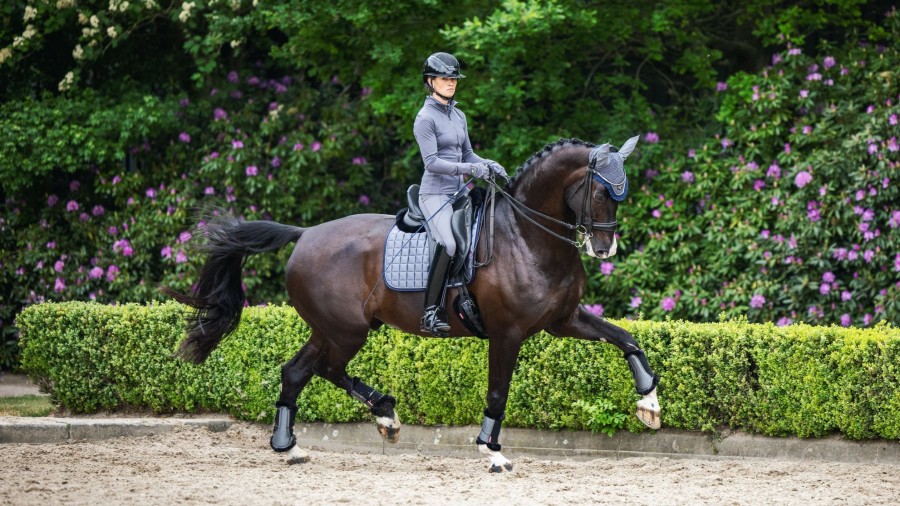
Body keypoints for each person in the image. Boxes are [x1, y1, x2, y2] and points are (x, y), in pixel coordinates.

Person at [413, 52, 506, 336]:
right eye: (445, 78)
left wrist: (486, 164)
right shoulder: (424, 118)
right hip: (434, 195)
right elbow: (432, 163)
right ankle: (430, 312)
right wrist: (470, 169)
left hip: (459, 193)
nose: (451, 83)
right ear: (431, 81)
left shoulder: (459, 114)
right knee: (450, 245)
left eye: (454, 78)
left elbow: (467, 153)